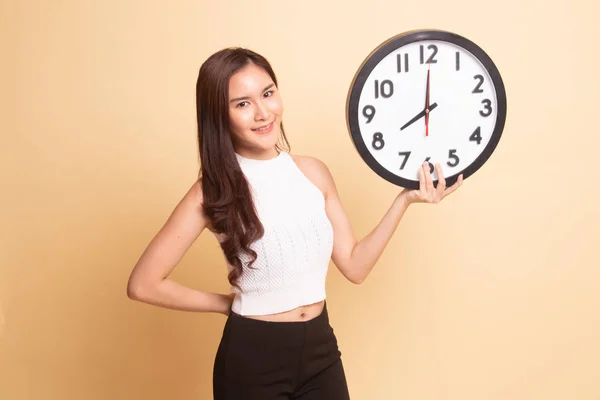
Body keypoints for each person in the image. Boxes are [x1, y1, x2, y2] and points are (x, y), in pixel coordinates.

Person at [126, 47, 463, 399]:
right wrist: (226, 304)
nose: (262, 113)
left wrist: (404, 200)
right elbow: (144, 284)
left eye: (268, 94)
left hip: (321, 350)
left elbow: (355, 266)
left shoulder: (313, 172)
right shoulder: (212, 191)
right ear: (219, 115)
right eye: (242, 104)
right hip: (252, 358)